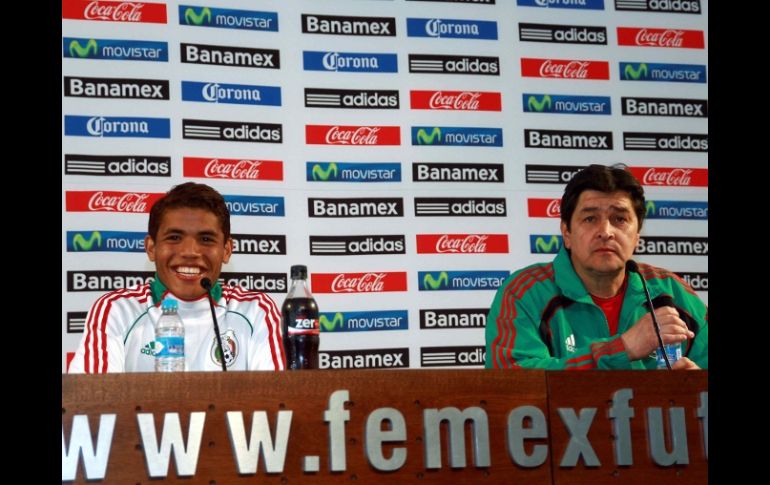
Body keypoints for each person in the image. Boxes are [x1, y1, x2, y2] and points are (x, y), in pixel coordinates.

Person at [486, 164, 707, 370]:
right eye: (590, 218)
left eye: (619, 219)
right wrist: (622, 348)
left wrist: (695, 387)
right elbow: (513, 382)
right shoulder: (524, 293)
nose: (606, 232)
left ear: (637, 237)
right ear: (567, 233)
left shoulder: (672, 293)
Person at [70, 182, 286, 372]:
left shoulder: (255, 310)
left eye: (206, 239)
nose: (190, 252)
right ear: (151, 248)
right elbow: (93, 405)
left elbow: (279, 405)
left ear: (227, 250)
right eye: (174, 237)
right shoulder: (117, 310)